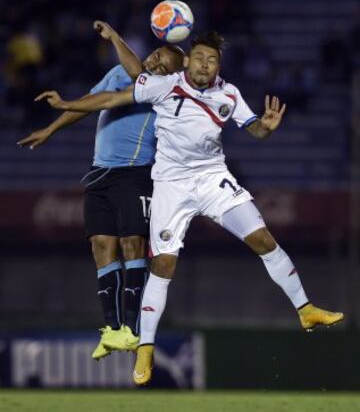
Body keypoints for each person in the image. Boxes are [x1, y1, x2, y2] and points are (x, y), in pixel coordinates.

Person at [34, 31, 344, 385]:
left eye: (211, 60)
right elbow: (113, 98)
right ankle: (146, 349)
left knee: (264, 240)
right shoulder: (162, 85)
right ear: (189, 61)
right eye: (199, 57)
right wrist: (66, 105)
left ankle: (306, 310)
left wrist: (266, 127)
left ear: (218, 66)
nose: (204, 64)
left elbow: (253, 129)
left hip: (213, 180)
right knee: (163, 264)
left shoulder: (229, 95)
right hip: (171, 185)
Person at [17, 21, 185, 361]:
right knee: (101, 246)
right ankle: (112, 330)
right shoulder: (118, 73)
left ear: (171, 76)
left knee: (132, 244)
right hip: (100, 174)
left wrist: (113, 37)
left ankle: (134, 330)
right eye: (155, 56)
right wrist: (51, 128)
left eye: (164, 66)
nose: (155, 63)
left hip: (135, 174)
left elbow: (140, 73)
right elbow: (92, 102)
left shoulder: (163, 88)